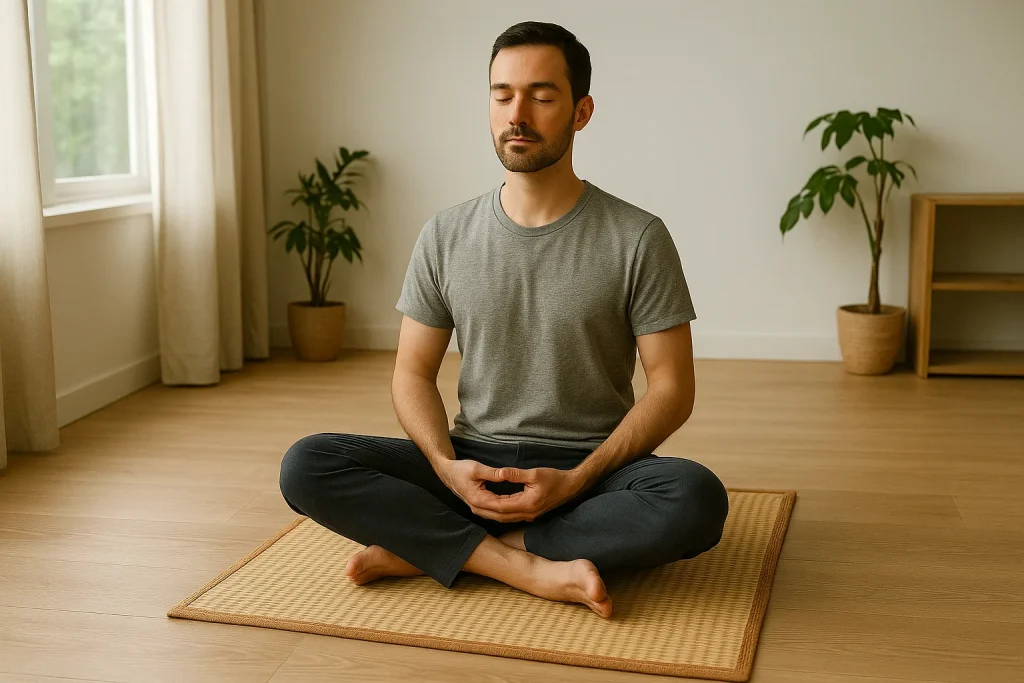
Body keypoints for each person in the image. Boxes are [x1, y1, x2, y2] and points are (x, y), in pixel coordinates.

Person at [279, 20, 728, 619]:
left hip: (587, 475)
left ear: (581, 111)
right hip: (470, 466)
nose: (518, 114)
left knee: (695, 498)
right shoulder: (445, 234)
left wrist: (577, 480)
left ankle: (434, 547)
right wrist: (444, 465)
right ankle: (523, 564)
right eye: (502, 95)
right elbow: (412, 373)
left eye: (542, 97)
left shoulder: (637, 236)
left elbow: (671, 388)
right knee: (307, 463)